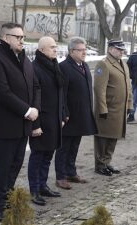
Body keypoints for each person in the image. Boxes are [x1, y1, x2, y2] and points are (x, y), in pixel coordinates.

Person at [0, 23, 40, 222]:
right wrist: (26, 110)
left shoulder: (25, 60)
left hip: (22, 125)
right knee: (3, 166)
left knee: (15, 164)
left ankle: (7, 200)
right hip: (2, 126)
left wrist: (35, 109)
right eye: (18, 37)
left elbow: (35, 86)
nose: (22, 40)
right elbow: (1, 92)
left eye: (23, 37)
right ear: (6, 38)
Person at [54, 37, 97, 189]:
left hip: (81, 114)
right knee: (63, 148)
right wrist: (64, 113)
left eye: (85, 49)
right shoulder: (64, 67)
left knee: (74, 146)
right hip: (69, 116)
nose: (84, 52)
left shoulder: (84, 65)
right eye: (81, 50)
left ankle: (71, 172)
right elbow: (62, 94)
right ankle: (60, 177)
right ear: (72, 51)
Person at [28, 37, 66, 206]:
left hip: (54, 120)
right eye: (52, 47)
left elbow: (60, 93)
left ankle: (43, 185)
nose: (55, 50)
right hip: (41, 121)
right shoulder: (35, 68)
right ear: (42, 50)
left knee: (48, 156)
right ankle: (34, 190)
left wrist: (62, 114)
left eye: (56, 47)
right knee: (37, 157)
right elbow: (32, 99)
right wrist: (35, 125)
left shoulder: (53, 65)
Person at [93, 39, 133, 176]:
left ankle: (107, 161)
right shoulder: (103, 64)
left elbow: (129, 86)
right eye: (118, 49)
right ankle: (100, 164)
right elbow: (99, 90)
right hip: (107, 110)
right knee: (103, 138)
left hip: (119, 110)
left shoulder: (123, 64)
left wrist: (130, 104)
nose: (121, 52)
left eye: (122, 50)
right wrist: (102, 109)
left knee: (113, 137)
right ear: (110, 49)